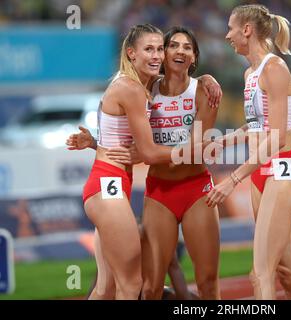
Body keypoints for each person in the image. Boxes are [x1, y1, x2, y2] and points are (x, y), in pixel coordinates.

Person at [68, 26, 221, 300]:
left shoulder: (141, 84)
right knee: (133, 284)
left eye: (158, 49)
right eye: (150, 49)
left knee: (107, 287)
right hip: (111, 185)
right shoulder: (135, 88)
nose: (157, 55)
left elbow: (120, 138)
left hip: (114, 183)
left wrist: (94, 142)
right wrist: (191, 149)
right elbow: (147, 153)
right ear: (131, 53)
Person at [205, 4, 291, 300]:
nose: (227, 35)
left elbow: (276, 137)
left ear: (247, 30)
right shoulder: (250, 73)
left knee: (260, 274)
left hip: (282, 171)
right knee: (288, 277)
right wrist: (224, 141)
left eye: (231, 28)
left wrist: (233, 179)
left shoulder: (274, 68)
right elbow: (257, 125)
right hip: (261, 176)